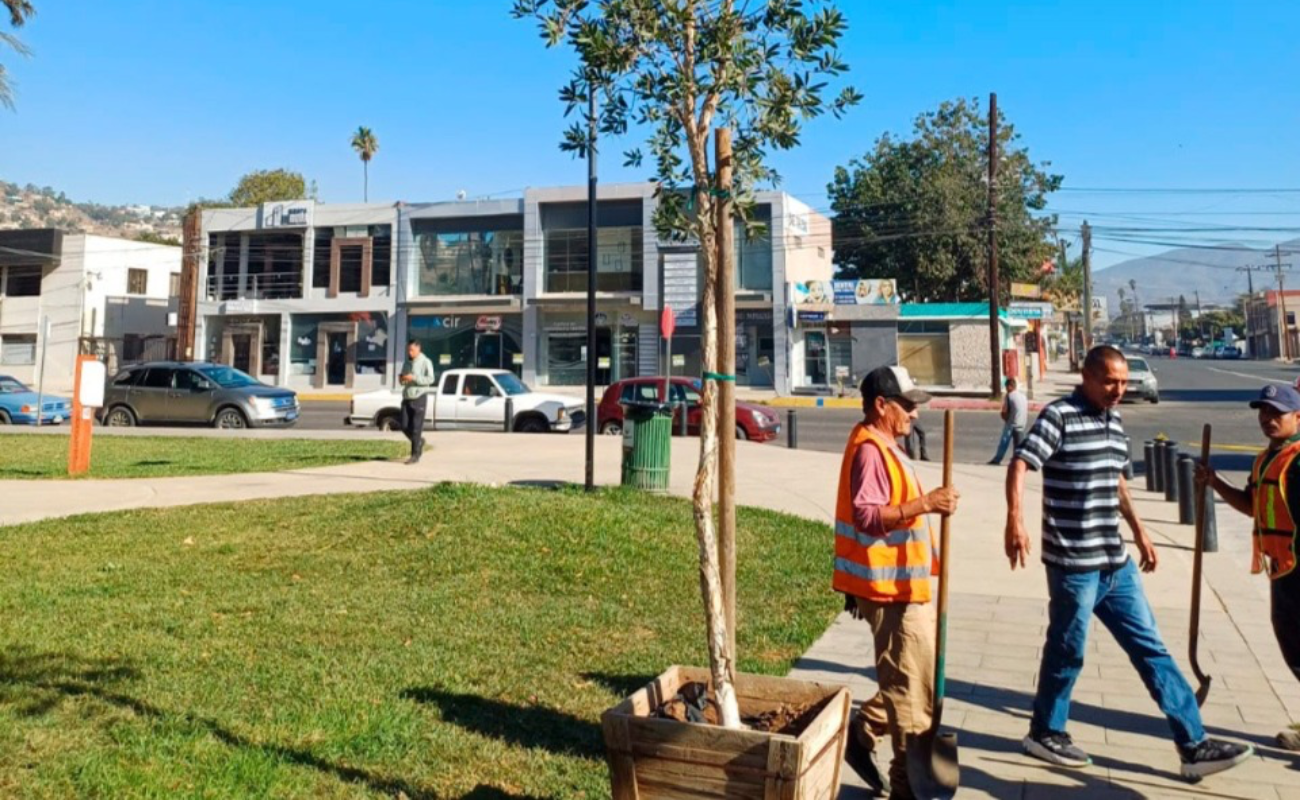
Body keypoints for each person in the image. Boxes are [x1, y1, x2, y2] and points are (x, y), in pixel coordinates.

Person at [1005, 345, 1252, 779]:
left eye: (1123, 382)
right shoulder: (1059, 416)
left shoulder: (1114, 421)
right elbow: (1022, 463)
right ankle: (1045, 731)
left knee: (1151, 648)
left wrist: (1140, 531)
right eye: (1110, 382)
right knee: (1068, 649)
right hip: (1072, 564)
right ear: (1086, 376)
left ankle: (1193, 745)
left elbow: (1118, 481)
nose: (1119, 389)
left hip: (1115, 564)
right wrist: (1015, 521)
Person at [838, 366, 960, 798]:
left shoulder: (888, 443)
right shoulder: (871, 449)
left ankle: (864, 729)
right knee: (910, 696)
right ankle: (906, 786)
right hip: (891, 594)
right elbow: (868, 517)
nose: (914, 414)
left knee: (917, 686)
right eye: (906, 405)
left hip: (911, 588)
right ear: (881, 406)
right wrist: (926, 503)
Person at [1197, 383, 1300, 751]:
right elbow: (1253, 504)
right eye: (1264, 412)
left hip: (1297, 568)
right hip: (1283, 569)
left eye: (1277, 413)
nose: (1268, 419)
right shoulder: (1267, 458)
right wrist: (1214, 483)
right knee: (1292, 645)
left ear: (1298, 417)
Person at [398, 339, 435, 464]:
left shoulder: (426, 361)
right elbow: (403, 380)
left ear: (418, 349)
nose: (410, 352)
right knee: (403, 425)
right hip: (407, 396)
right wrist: (402, 379)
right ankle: (419, 441)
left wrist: (414, 378)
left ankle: (415, 455)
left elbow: (431, 379)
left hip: (419, 397)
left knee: (416, 428)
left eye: (412, 350)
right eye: (408, 350)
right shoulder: (407, 363)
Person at [989, 377, 1028, 465]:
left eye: (1006, 387)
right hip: (1022, 423)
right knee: (1019, 444)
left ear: (1010, 386)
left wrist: (1005, 418)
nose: (1006, 389)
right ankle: (1018, 460)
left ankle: (997, 459)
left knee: (1004, 441)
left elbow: (1004, 411)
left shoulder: (1009, 396)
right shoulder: (1023, 396)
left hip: (1012, 424)